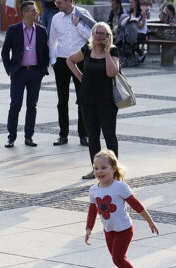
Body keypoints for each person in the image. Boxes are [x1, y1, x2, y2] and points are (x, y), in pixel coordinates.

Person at [84, 149, 159, 268]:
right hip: (109, 230)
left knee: (118, 259)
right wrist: (88, 229)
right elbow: (92, 210)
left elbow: (136, 205)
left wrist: (149, 221)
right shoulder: (93, 190)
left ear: (113, 168)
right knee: (119, 259)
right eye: (96, 168)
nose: (99, 171)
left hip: (124, 229)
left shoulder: (120, 187)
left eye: (104, 168)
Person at [67, 22, 120, 179]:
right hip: (87, 98)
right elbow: (70, 60)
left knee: (109, 135)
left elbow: (112, 73)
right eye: (97, 32)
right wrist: (80, 77)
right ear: (92, 34)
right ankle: (95, 169)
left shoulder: (113, 51)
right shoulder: (87, 49)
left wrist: (107, 52)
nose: (99, 36)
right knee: (93, 135)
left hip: (107, 100)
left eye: (103, 33)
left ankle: (114, 170)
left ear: (108, 36)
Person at [1, 1, 49, 148]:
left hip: (35, 72)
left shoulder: (41, 30)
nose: (36, 13)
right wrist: (10, 70)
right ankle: (11, 137)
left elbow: (46, 53)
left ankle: (29, 137)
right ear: (25, 13)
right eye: (33, 11)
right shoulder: (13, 30)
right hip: (19, 72)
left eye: (36, 10)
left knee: (32, 106)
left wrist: (43, 69)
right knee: (15, 104)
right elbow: (4, 52)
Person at [49, 0, 93, 147]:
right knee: (62, 100)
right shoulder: (56, 18)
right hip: (61, 61)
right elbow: (52, 40)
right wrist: (53, 60)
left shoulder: (83, 14)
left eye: (60, 2)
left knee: (83, 99)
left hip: (80, 60)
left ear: (69, 1)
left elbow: (91, 37)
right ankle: (63, 134)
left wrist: (78, 24)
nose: (57, 5)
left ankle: (84, 135)